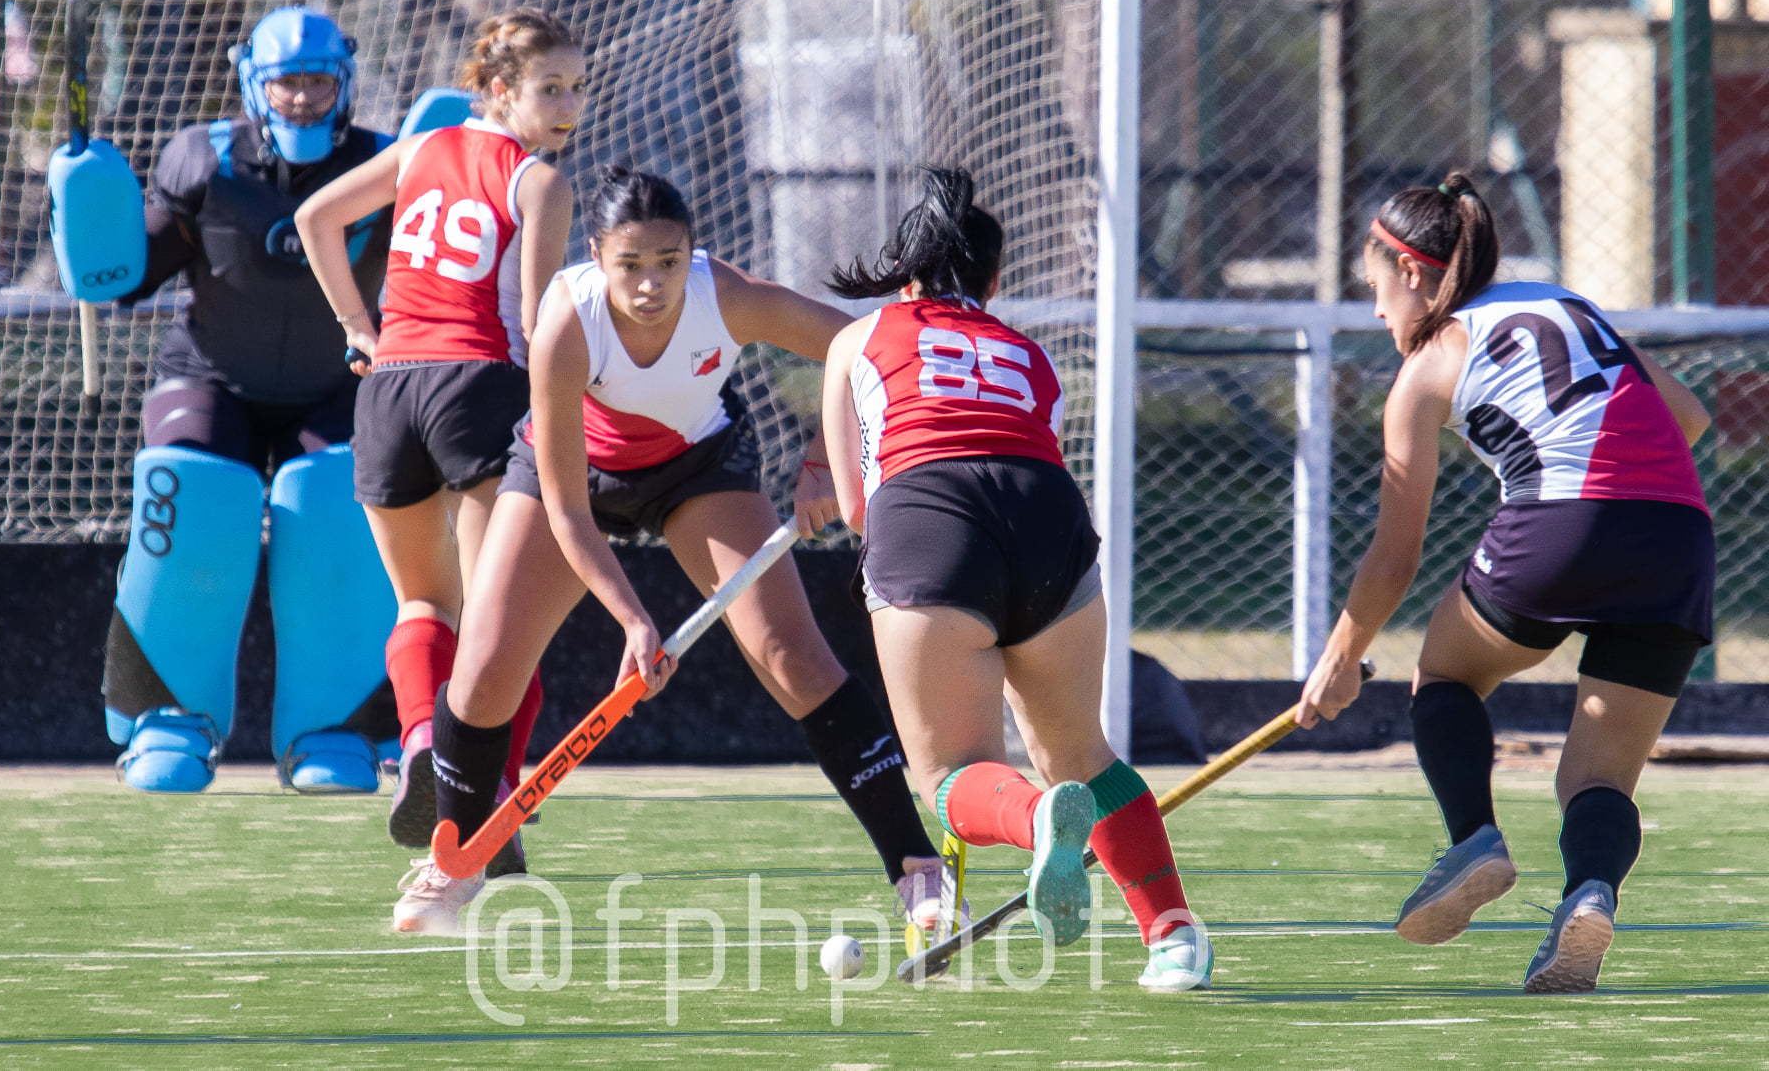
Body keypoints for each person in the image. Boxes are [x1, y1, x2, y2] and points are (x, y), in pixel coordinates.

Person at [394, 166, 946, 937]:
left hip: (697, 468)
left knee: (793, 655)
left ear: (692, 252)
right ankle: (454, 859)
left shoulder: (729, 295)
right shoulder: (567, 318)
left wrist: (826, 457)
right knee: (483, 669)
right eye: (630, 265)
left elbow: (860, 345)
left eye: (669, 262)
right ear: (596, 255)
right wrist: (632, 618)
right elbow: (564, 506)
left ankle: (916, 864)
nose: (652, 284)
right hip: (574, 476)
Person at [1296, 172, 1714, 994]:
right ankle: (1589, 893)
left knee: (1445, 675)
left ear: (1413, 274)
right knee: (1595, 779)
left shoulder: (1425, 366)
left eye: (1377, 289)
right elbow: (1691, 417)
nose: (1378, 312)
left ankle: (1474, 837)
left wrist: (1340, 657)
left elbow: (1393, 557)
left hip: (1559, 523)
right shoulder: (1564, 301)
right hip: (1677, 530)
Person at [819, 168, 1214, 991]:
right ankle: (1174, 937)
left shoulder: (858, 341)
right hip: (1049, 519)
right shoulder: (1030, 356)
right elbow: (1029, 455)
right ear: (994, 282)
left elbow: (859, 506)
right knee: (1083, 751)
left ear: (907, 273)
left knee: (947, 774)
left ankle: (1039, 819)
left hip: (929, 515)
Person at [295, 8, 587, 877]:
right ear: (501, 91)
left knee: (425, 607)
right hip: (479, 390)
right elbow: (535, 327)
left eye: (578, 86)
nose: (569, 105)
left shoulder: (423, 149)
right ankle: (490, 791)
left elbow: (317, 217)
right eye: (551, 89)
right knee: (509, 623)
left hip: (388, 392)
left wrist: (359, 327)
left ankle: (423, 737)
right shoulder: (539, 183)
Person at [86, 6, 404, 795]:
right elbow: (128, 279)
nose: (302, 97)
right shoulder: (204, 160)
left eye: (317, 80)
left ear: (345, 82)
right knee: (190, 494)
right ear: (252, 83)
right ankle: (165, 718)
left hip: (335, 388)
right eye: (286, 82)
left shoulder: (385, 165)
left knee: (337, 507)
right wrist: (90, 223)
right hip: (209, 380)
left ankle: (337, 727)